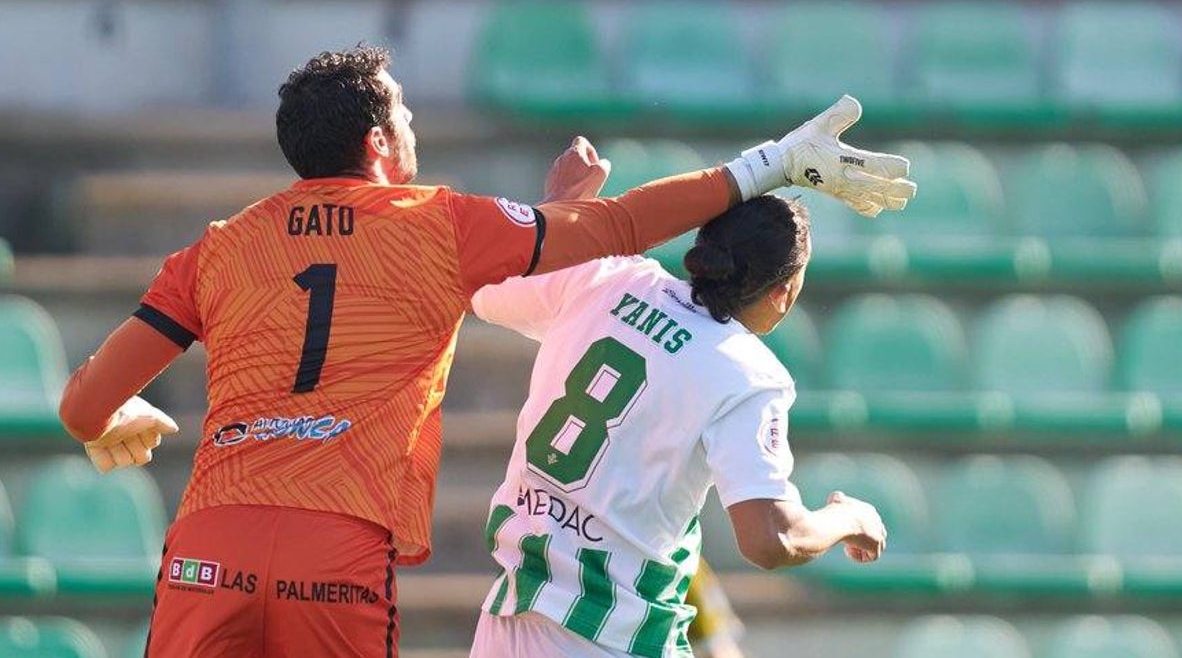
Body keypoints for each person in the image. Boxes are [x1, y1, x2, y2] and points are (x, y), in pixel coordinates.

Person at [57, 45, 913, 657]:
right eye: (407, 114)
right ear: (379, 144)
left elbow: (81, 407)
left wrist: (116, 414)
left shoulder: (220, 246)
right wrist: (772, 163)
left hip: (218, 542)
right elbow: (618, 226)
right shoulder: (438, 225)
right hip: (351, 554)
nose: (415, 126)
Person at [467, 192, 888, 658]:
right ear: (783, 290)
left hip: (508, 622)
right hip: (611, 637)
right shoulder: (747, 373)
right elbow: (771, 539)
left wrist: (560, 209)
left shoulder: (611, 276)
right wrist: (851, 518)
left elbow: (483, 282)